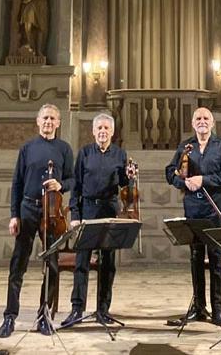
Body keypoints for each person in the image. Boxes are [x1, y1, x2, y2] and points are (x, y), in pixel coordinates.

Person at [0, 103, 75, 338]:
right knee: (18, 264)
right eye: (45, 118)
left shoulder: (64, 149)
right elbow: (17, 184)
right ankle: (10, 317)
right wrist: (14, 214)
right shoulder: (27, 148)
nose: (49, 122)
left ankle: (44, 316)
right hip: (28, 208)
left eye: (53, 118)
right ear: (38, 121)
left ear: (58, 123)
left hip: (52, 213)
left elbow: (73, 181)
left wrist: (61, 185)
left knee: (51, 265)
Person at [164, 107, 221, 327]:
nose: (202, 121)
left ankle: (218, 310)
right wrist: (183, 182)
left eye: (206, 118)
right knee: (196, 258)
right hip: (193, 208)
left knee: (215, 259)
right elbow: (169, 171)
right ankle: (198, 307)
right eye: (198, 119)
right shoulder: (186, 147)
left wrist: (203, 180)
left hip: (215, 208)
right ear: (193, 123)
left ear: (212, 123)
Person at [60, 113, 132, 328]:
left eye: (106, 128)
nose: (102, 131)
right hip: (88, 209)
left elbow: (125, 186)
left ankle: (103, 309)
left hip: (110, 208)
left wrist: (130, 176)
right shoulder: (84, 153)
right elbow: (76, 185)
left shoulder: (120, 154)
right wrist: (75, 215)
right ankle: (77, 308)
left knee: (108, 263)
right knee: (82, 262)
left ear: (112, 132)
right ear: (93, 131)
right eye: (99, 128)